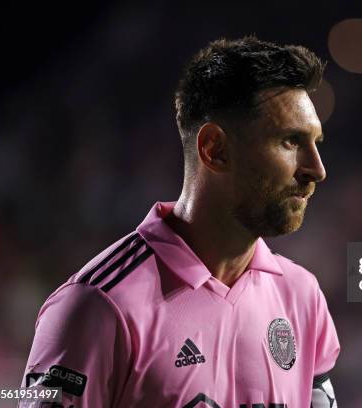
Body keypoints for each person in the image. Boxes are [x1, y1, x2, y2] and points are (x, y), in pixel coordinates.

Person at [20, 36, 340, 407]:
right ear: (215, 149)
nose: (317, 169)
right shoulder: (98, 308)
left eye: (317, 142)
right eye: (290, 141)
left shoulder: (302, 296)